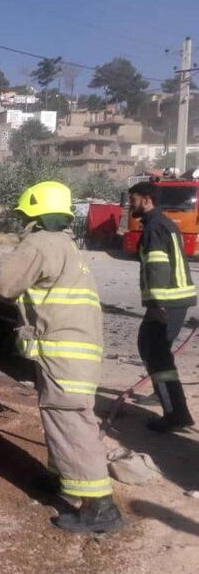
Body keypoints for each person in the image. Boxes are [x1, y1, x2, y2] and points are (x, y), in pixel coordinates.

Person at [0, 181, 123, 534]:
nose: (22, 224)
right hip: (73, 349)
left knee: (70, 418)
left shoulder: (41, 242)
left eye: (24, 216)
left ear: (34, 214)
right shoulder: (65, 245)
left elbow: (4, 283)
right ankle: (68, 479)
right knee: (63, 417)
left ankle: (100, 509)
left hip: (65, 351)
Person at [128, 181, 196, 432]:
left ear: (146, 200)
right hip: (173, 299)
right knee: (149, 345)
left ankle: (176, 414)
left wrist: (156, 304)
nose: (130, 204)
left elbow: (158, 267)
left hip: (168, 300)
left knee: (158, 356)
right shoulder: (161, 223)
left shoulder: (155, 227)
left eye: (133, 199)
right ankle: (163, 394)